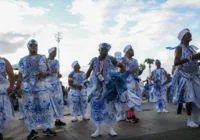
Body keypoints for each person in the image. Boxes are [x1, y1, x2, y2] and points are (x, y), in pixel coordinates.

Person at [16, 39, 56, 140]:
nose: (34, 46)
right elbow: (20, 75)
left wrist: (43, 73)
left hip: (41, 87)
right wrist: (18, 87)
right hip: (28, 88)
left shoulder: (43, 58)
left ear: (37, 46)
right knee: (30, 109)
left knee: (45, 107)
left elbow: (48, 71)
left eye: (35, 45)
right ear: (28, 47)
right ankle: (33, 130)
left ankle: (46, 128)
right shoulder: (22, 60)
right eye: (31, 45)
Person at [86, 43, 125, 137]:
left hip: (109, 87)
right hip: (96, 88)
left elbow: (122, 67)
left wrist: (118, 77)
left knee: (110, 107)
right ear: (99, 50)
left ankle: (111, 129)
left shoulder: (112, 59)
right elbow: (88, 72)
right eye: (102, 49)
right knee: (97, 107)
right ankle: (98, 129)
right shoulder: (94, 61)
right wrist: (84, 80)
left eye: (106, 50)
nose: (104, 51)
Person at [173, 28, 200, 127]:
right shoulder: (179, 48)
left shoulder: (191, 48)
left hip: (194, 75)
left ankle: (197, 118)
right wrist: (192, 57)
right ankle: (190, 120)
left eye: (190, 33)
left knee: (198, 96)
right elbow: (176, 62)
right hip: (185, 76)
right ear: (183, 37)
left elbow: (194, 61)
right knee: (190, 97)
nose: (190, 34)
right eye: (187, 34)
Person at [121, 45, 143, 122]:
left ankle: (129, 116)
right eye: (130, 50)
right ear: (127, 52)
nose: (132, 51)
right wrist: (134, 70)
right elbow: (123, 71)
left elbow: (137, 73)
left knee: (134, 98)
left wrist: (140, 70)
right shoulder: (124, 60)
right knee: (130, 98)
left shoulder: (135, 60)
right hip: (126, 81)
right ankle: (131, 116)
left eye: (132, 49)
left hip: (134, 82)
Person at [47, 47, 66, 126]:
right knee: (50, 102)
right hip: (48, 84)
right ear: (50, 52)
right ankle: (48, 121)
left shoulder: (56, 61)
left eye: (56, 52)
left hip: (56, 84)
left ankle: (57, 120)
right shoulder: (45, 61)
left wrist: (58, 75)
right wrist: (51, 72)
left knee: (58, 101)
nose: (55, 53)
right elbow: (42, 72)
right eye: (54, 52)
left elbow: (57, 72)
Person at [0, 57, 15, 140]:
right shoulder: (4, 61)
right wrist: (11, 86)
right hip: (2, 89)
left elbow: (12, 76)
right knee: (2, 112)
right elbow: (11, 75)